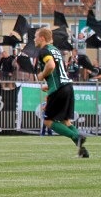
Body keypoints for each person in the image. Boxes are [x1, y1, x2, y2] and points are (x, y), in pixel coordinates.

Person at [34, 27, 88, 158]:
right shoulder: (55, 50)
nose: (34, 39)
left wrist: (41, 75)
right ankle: (82, 151)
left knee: (48, 121)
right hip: (67, 86)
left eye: (35, 37)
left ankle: (76, 135)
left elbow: (51, 66)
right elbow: (59, 71)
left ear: (42, 38)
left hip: (58, 89)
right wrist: (49, 84)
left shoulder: (44, 50)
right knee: (66, 122)